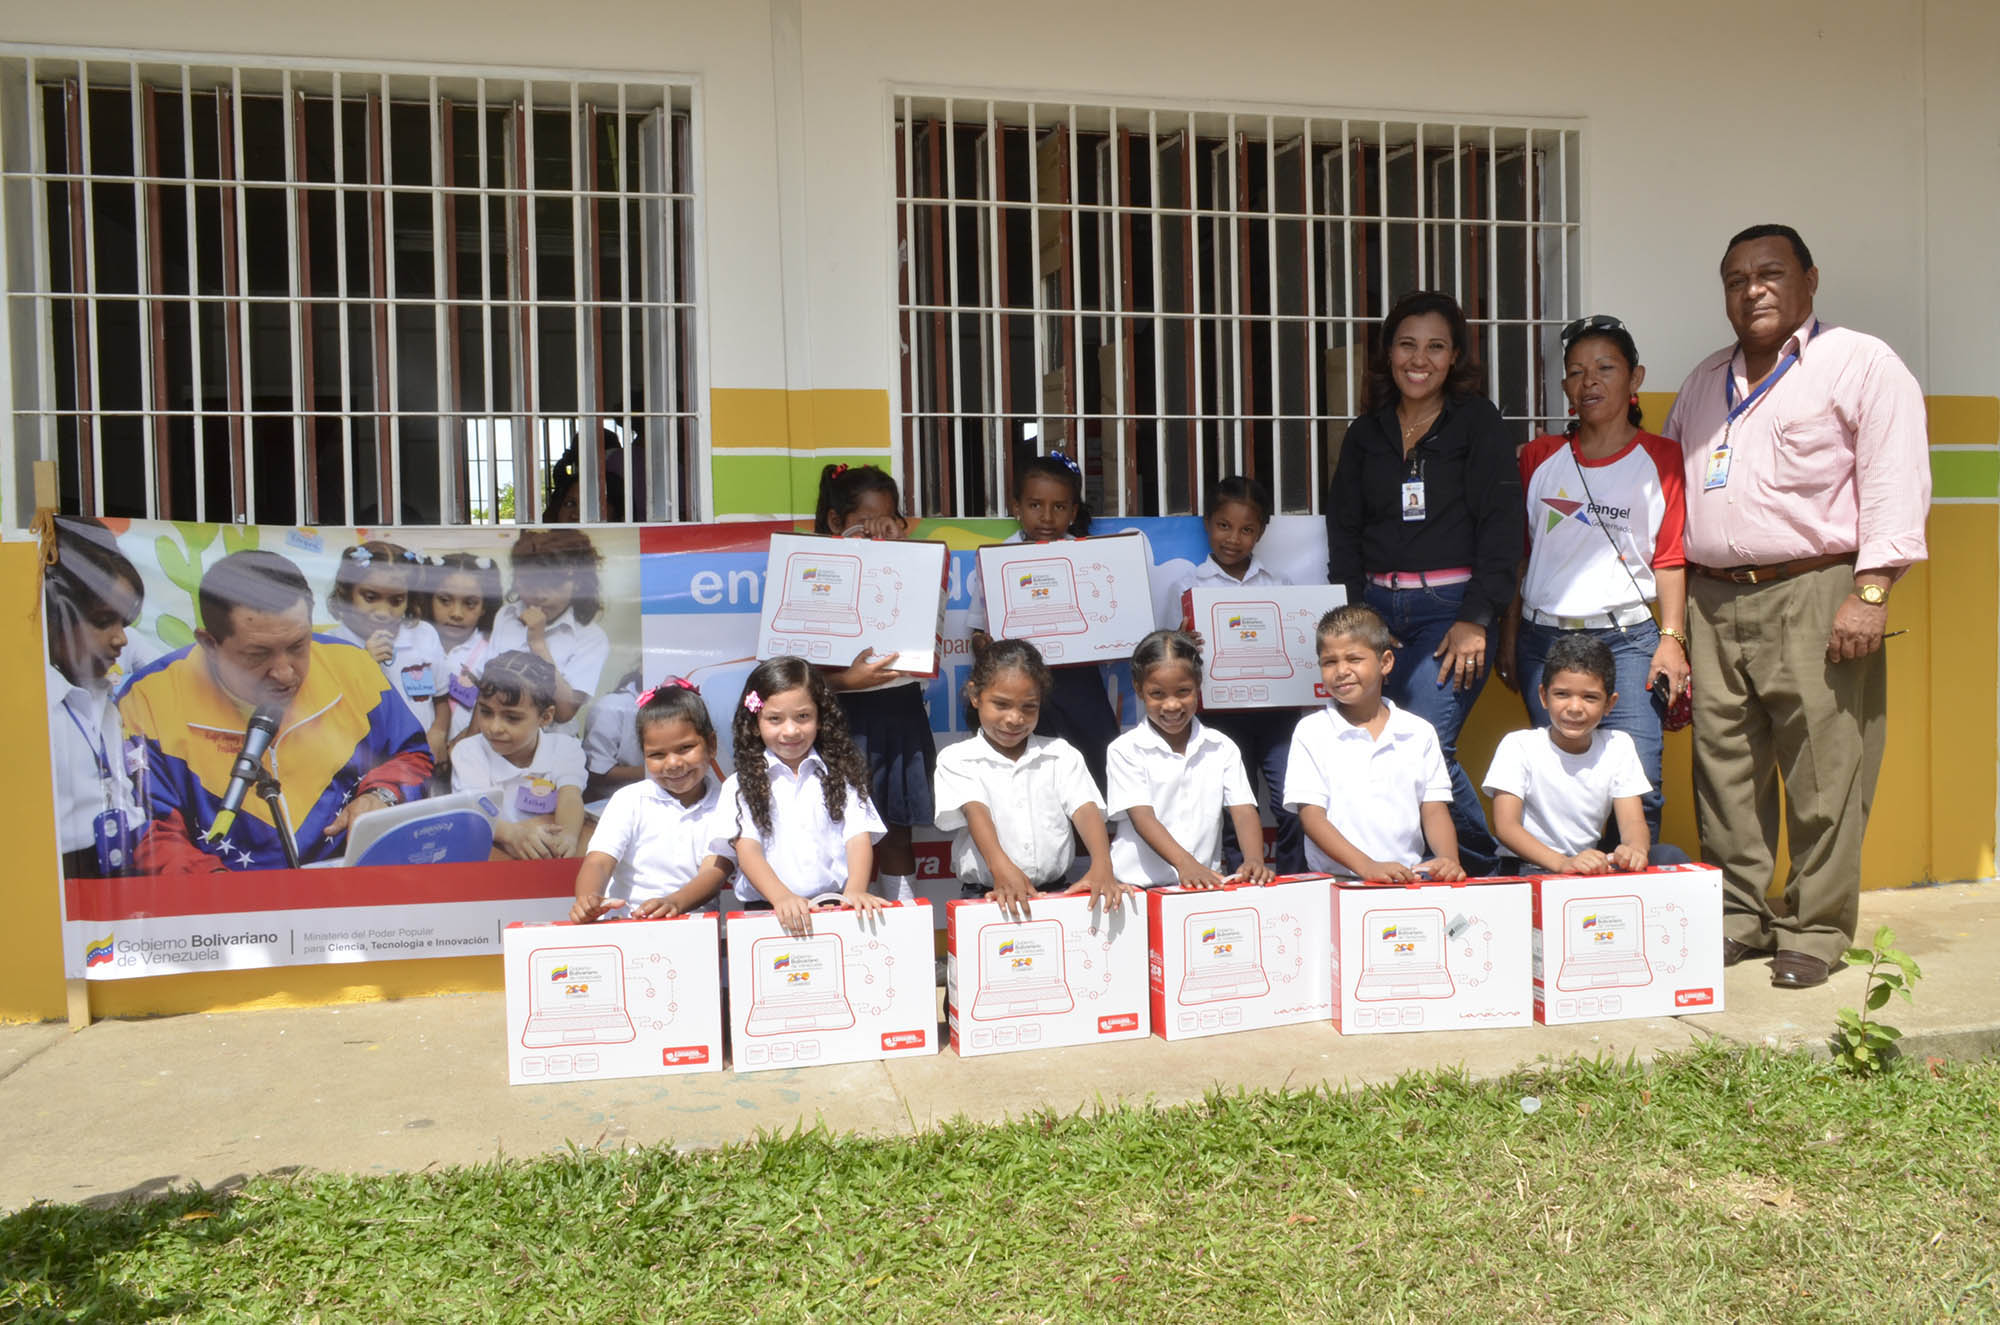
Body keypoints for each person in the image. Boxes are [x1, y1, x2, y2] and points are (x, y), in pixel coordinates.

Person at [1662, 223, 1930, 989]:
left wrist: (1871, 590)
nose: (1754, 289)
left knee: (1824, 766)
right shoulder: (1704, 380)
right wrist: (1675, 626)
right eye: (1737, 277)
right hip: (1715, 599)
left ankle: (1814, 924)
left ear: (1810, 279)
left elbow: (1893, 478)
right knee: (1725, 769)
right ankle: (1739, 916)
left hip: (1818, 589)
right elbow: (1679, 494)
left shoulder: (1860, 363)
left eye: (1771, 272)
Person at [1324, 291, 1522, 874]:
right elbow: (1345, 530)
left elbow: (1503, 528)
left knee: (1427, 742)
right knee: (1387, 744)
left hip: (1450, 613)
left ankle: (1483, 864)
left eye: (1436, 346)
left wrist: (1476, 618)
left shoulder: (1478, 423)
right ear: (1388, 353)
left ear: (1454, 356)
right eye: (1407, 344)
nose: (1420, 359)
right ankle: (1431, 862)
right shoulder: (1367, 432)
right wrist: (1356, 616)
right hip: (1379, 611)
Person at [1497, 317, 1690, 843]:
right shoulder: (1538, 458)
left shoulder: (1663, 458)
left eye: (1605, 368)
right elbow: (1522, 556)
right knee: (1560, 784)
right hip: (1545, 641)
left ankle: (1631, 903)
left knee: (1638, 783)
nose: (1590, 382)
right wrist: (1511, 635)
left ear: (1635, 379)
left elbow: (1670, 556)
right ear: (1564, 387)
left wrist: (1671, 640)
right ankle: (1572, 908)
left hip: (1626, 641)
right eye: (1577, 372)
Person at [119, 549, 432, 871]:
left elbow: (411, 755)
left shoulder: (352, 666)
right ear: (209, 645)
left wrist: (383, 795)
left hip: (348, 895)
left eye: (298, 646)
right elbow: (145, 831)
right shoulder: (147, 700)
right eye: (258, 654)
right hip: (226, 911)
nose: (285, 673)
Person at [1164, 474, 1307, 875]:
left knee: (1292, 802)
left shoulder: (1280, 585)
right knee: (1231, 804)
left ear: (1261, 532)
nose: (1233, 538)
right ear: (1207, 523)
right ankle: (1239, 877)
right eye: (1224, 525)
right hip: (1219, 715)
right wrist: (1180, 639)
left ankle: (1297, 878)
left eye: (1246, 529)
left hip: (1277, 714)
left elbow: (1298, 648)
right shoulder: (1186, 586)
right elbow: (1165, 656)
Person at [813, 462, 938, 904]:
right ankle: (851, 931)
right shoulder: (812, 575)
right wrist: (847, 680)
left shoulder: (913, 566)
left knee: (897, 832)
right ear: (835, 523)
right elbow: (792, 672)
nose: (876, 531)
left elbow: (929, 624)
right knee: (848, 835)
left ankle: (905, 927)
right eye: (864, 523)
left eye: (886, 521)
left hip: (898, 715)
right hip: (841, 721)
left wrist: (901, 554)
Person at [932, 638, 1126, 919]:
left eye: (1028, 707)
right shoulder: (958, 758)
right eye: (1001, 704)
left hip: (1057, 892)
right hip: (989, 894)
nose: (1014, 719)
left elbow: (1085, 808)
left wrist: (1102, 864)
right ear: (975, 696)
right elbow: (975, 812)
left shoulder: (1061, 754)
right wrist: (1002, 870)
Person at [966, 451, 1122, 792]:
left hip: (1079, 683)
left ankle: (1092, 844)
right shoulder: (994, 560)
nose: (1047, 517)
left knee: (1093, 773)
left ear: (1073, 511)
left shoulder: (1089, 558)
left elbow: (1109, 624)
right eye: (1035, 505)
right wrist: (987, 645)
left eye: (1060, 507)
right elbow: (978, 634)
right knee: (1031, 780)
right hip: (1020, 686)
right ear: (1016, 507)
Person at [1282, 605, 1465, 883]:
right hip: (1335, 881)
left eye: (1354, 659)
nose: (1341, 671)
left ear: (1386, 662)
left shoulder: (1419, 732)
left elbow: (1434, 808)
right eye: (1329, 662)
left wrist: (1448, 860)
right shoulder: (1311, 731)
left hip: (1407, 879)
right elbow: (1312, 818)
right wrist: (1366, 867)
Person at [1484, 632, 1688, 876]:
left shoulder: (1618, 745)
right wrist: (1562, 863)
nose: (1574, 708)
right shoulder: (1518, 745)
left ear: (1610, 704)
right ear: (1543, 696)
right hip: (1525, 869)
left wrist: (1634, 849)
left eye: (1590, 697)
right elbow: (1506, 827)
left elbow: (1633, 822)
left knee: (1668, 856)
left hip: (1584, 869)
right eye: (1562, 694)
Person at [714, 656, 886, 937]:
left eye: (803, 716)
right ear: (755, 722)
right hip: (768, 911)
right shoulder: (739, 785)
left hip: (836, 909)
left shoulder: (842, 775)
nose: (791, 730)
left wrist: (855, 891)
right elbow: (748, 848)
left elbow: (858, 837)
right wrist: (781, 898)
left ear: (821, 717)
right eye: (774, 719)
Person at [1104, 630, 1271, 889]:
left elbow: (1243, 809)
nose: (1171, 705)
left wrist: (1254, 859)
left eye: (1183, 691)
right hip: (1139, 888)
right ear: (1138, 690)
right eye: (1157, 694)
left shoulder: (1221, 747)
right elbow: (1142, 818)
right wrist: (1185, 864)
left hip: (1203, 883)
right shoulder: (1125, 750)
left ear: (1198, 685)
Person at [570, 679, 734, 922]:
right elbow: (599, 862)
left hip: (696, 930)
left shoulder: (726, 804)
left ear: (711, 745)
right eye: (657, 755)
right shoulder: (630, 800)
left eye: (685, 748)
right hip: (627, 925)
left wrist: (674, 903)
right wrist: (589, 899)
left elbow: (715, 871)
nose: (673, 763)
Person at [43, 517, 146, 878]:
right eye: (103, 621)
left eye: (124, 623)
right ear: (54, 616)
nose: (121, 639)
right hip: (61, 878)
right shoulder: (35, 708)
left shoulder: (103, 695)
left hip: (123, 870)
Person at [450, 650, 588, 860]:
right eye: (485, 712)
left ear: (545, 717)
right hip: (496, 846)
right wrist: (512, 834)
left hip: (545, 847)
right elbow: (475, 814)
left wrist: (567, 838)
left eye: (512, 718)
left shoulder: (565, 748)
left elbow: (570, 797)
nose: (494, 728)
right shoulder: (468, 751)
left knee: (587, 836)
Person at [325, 541, 451, 766]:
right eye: (370, 597)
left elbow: (441, 700)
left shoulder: (423, 634)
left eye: (396, 600)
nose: (384, 612)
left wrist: (438, 733)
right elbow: (331, 716)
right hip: (363, 766)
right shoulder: (331, 645)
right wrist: (363, 665)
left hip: (419, 762)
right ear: (347, 594)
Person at [488, 528, 609, 734]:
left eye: (554, 583)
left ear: (578, 583)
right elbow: (489, 685)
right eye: (529, 582)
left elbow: (564, 713)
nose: (540, 594)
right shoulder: (506, 615)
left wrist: (538, 645)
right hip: (500, 736)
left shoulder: (591, 637)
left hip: (553, 748)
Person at [419, 551, 502, 744]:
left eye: (470, 603)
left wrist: (461, 745)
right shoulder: (414, 644)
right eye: (445, 600)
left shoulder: (493, 651)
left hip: (470, 756)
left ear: (484, 606)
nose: (456, 613)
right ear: (429, 598)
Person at [580, 666, 645, 804]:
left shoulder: (675, 704)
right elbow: (597, 773)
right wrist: (656, 771)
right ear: (642, 668)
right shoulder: (612, 706)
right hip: (609, 800)